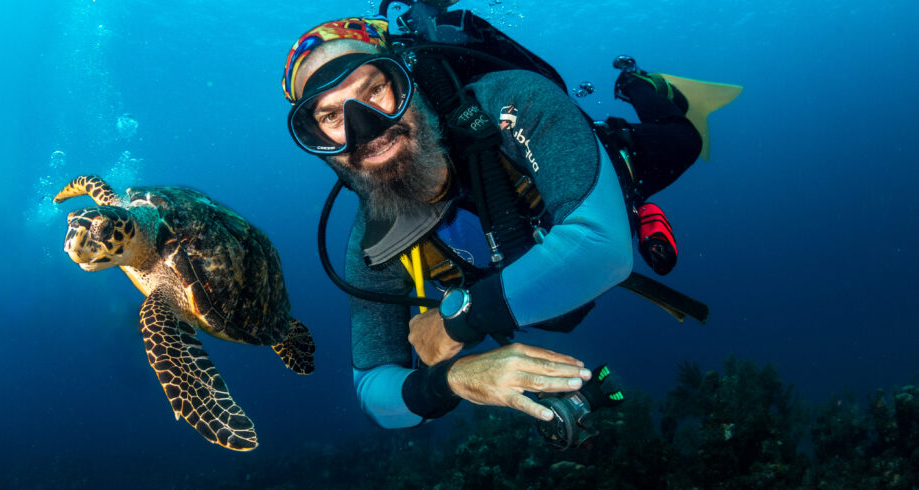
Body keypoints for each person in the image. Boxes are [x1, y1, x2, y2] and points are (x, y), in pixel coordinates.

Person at [280, 4, 738, 430]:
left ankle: (640, 84)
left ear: (406, 82)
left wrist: (460, 319)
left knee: (684, 139)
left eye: (374, 90)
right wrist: (450, 380)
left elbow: (604, 250)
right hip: (526, 258)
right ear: (318, 141)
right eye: (329, 116)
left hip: (603, 170)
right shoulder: (373, 244)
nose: (366, 129)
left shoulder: (511, 100)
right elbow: (374, 393)